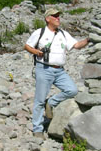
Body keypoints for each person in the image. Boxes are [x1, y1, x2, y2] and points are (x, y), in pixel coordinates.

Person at [24, 8, 89, 138]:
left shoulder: (63, 34)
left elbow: (76, 45)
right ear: (48, 19)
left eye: (59, 16)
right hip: (44, 68)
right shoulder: (40, 32)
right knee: (39, 100)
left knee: (72, 90)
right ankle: (38, 129)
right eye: (55, 16)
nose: (58, 18)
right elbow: (27, 45)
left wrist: (88, 40)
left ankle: (52, 102)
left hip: (59, 70)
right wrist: (36, 52)